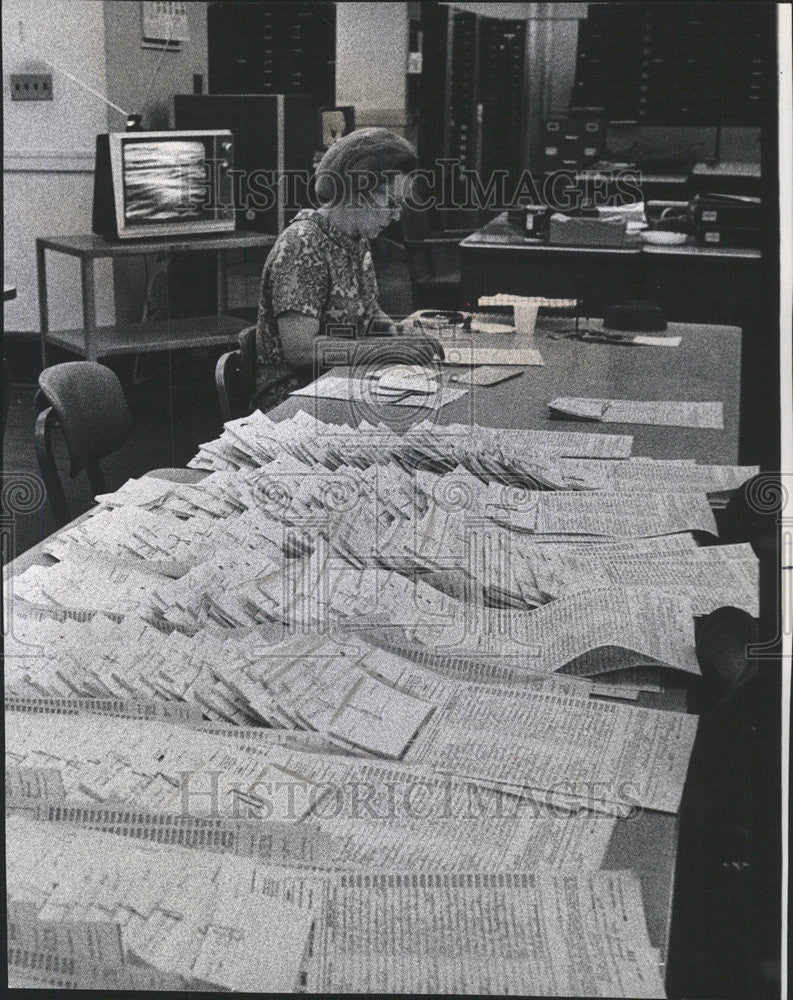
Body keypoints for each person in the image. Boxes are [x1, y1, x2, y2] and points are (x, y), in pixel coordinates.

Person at [253, 127, 440, 410]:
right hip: (293, 398)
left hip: (339, 381)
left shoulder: (356, 239)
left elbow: (366, 308)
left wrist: (395, 331)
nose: (397, 215)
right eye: (390, 202)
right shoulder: (303, 244)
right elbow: (301, 350)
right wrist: (386, 351)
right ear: (356, 190)